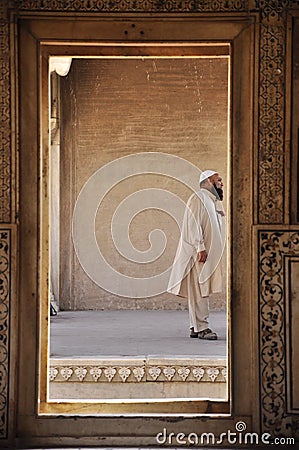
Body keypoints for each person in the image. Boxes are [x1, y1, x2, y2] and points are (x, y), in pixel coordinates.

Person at [167, 170, 225, 340]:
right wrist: (200, 247)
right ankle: (203, 328)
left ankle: (195, 326)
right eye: (218, 180)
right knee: (200, 290)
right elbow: (193, 224)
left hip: (205, 256)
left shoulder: (210, 201)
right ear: (208, 181)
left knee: (198, 290)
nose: (221, 183)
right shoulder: (198, 197)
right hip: (198, 255)